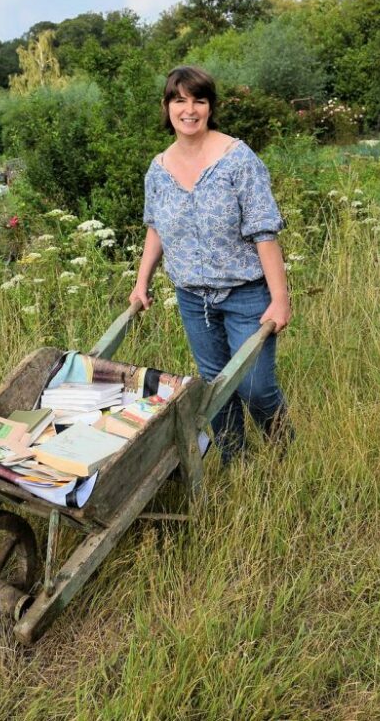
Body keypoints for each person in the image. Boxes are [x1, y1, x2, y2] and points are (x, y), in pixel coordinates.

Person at [128, 65, 292, 464]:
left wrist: (280, 298)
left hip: (246, 295)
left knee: (254, 386)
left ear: (210, 107)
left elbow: (264, 231)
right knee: (215, 387)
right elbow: (157, 228)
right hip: (192, 299)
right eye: (179, 100)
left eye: (198, 100)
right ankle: (236, 460)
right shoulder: (158, 169)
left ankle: (284, 449)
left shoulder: (237, 159)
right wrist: (141, 281)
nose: (189, 109)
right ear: (167, 107)